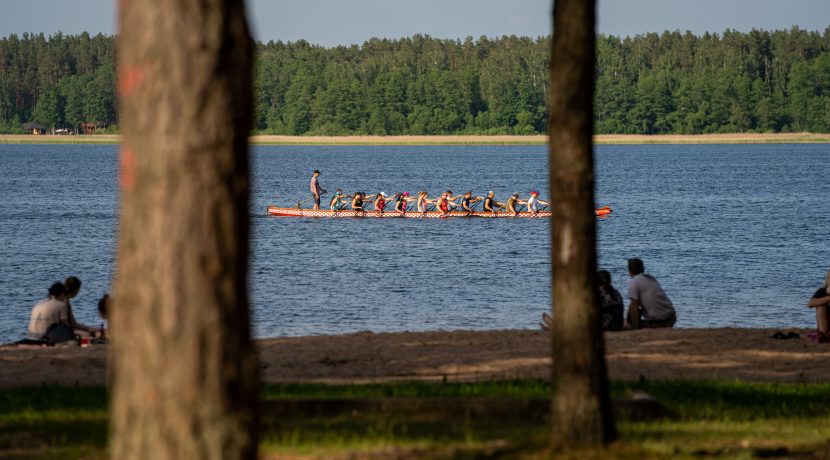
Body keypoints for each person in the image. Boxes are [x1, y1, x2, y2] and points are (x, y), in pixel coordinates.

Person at [540, 270, 625, 332]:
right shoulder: (616, 293)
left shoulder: (598, 293)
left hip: (604, 327)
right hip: (617, 326)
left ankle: (556, 327)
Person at [625, 258, 676, 329]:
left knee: (627, 323)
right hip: (672, 317)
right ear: (643, 268)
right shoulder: (650, 277)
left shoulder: (634, 281)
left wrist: (634, 326)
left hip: (659, 323)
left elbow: (634, 307)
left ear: (629, 271)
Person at [807, 269, 830, 342]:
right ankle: (824, 335)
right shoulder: (823, 291)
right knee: (820, 306)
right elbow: (811, 304)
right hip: (826, 325)